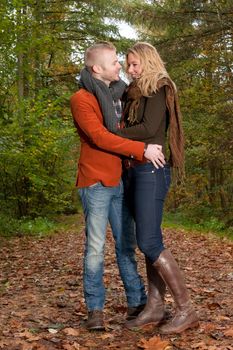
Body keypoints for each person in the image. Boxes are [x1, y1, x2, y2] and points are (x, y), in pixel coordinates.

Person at [103, 42, 199, 334]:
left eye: (135, 64)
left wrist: (112, 133)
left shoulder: (158, 87)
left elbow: (148, 128)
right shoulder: (133, 92)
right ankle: (156, 306)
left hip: (151, 172)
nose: (130, 71)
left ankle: (187, 310)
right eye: (128, 65)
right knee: (149, 241)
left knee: (149, 242)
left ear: (148, 61)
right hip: (132, 170)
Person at [70, 41, 166, 331]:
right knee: (96, 249)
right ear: (97, 69)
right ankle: (95, 310)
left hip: (122, 179)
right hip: (96, 181)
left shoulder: (120, 93)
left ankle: (137, 303)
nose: (120, 67)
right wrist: (142, 149)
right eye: (115, 62)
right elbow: (100, 137)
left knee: (127, 245)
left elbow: (145, 114)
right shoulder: (82, 99)